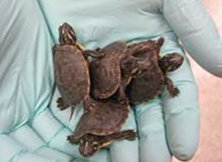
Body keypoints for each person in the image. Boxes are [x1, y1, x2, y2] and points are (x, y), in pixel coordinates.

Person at [0, 0, 221, 162]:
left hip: (99, 84)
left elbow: (94, 57)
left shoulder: (73, 50)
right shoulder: (73, 52)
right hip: (92, 86)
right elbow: (86, 57)